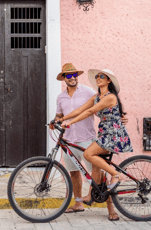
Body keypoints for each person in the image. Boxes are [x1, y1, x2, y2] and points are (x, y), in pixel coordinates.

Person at [53, 64, 126, 219]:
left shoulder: (93, 93)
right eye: (68, 75)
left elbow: (90, 111)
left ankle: (112, 206)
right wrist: (60, 120)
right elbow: (78, 111)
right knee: (75, 172)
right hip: (75, 138)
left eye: (74, 74)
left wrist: (70, 122)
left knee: (98, 171)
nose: (72, 78)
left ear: (108, 80)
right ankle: (79, 202)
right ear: (64, 78)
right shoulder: (65, 97)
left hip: (100, 136)